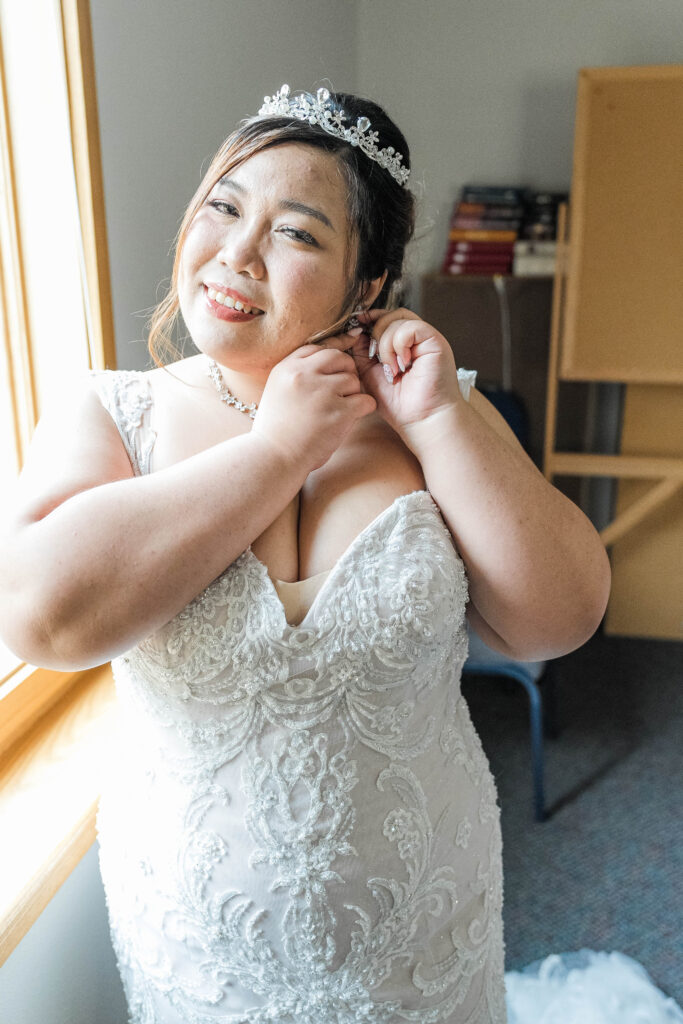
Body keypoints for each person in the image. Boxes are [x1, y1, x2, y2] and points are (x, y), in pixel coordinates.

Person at [0, 85, 617, 1022]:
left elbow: (559, 617)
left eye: (296, 233)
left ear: (365, 284)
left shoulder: (431, 408)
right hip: (198, 936)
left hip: (422, 921)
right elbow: (40, 619)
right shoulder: (109, 412)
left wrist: (441, 419)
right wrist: (273, 453)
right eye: (223, 206)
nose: (237, 254)